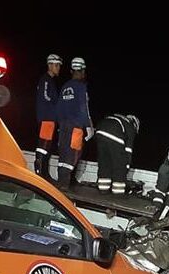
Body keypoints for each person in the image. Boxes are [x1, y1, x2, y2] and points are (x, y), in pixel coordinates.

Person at [55, 57, 92, 189]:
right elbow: (84, 108)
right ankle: (65, 185)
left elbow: (58, 108)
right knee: (73, 155)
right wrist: (88, 126)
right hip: (76, 127)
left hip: (63, 126)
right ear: (82, 71)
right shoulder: (81, 87)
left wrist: (60, 124)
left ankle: (61, 182)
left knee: (63, 154)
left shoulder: (65, 86)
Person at [33, 53, 62, 180]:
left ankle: (44, 173)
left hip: (50, 119)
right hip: (47, 118)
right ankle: (40, 172)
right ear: (50, 65)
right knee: (43, 146)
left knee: (47, 147)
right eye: (57, 66)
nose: (59, 68)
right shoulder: (45, 80)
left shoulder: (50, 81)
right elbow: (46, 97)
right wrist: (58, 106)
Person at [95, 113, 140, 195]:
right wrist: (126, 166)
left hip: (100, 131)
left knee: (104, 162)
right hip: (114, 133)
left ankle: (103, 189)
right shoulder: (130, 127)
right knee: (120, 164)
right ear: (135, 124)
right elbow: (128, 150)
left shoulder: (120, 119)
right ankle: (117, 194)